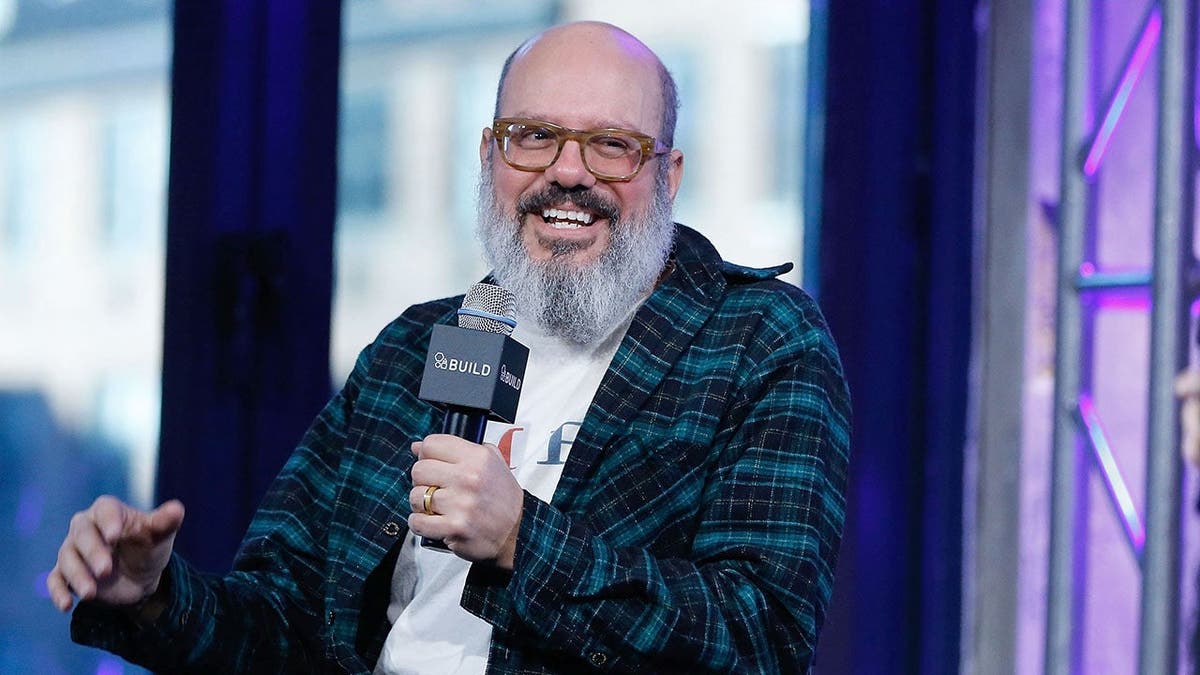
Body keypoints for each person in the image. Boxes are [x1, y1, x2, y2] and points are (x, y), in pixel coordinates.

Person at [47, 21, 851, 673]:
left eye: (612, 145)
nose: (567, 173)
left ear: (668, 175)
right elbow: (282, 624)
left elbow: (759, 640)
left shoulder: (759, 342)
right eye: (533, 136)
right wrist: (149, 594)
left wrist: (521, 541)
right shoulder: (419, 345)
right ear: (489, 156)